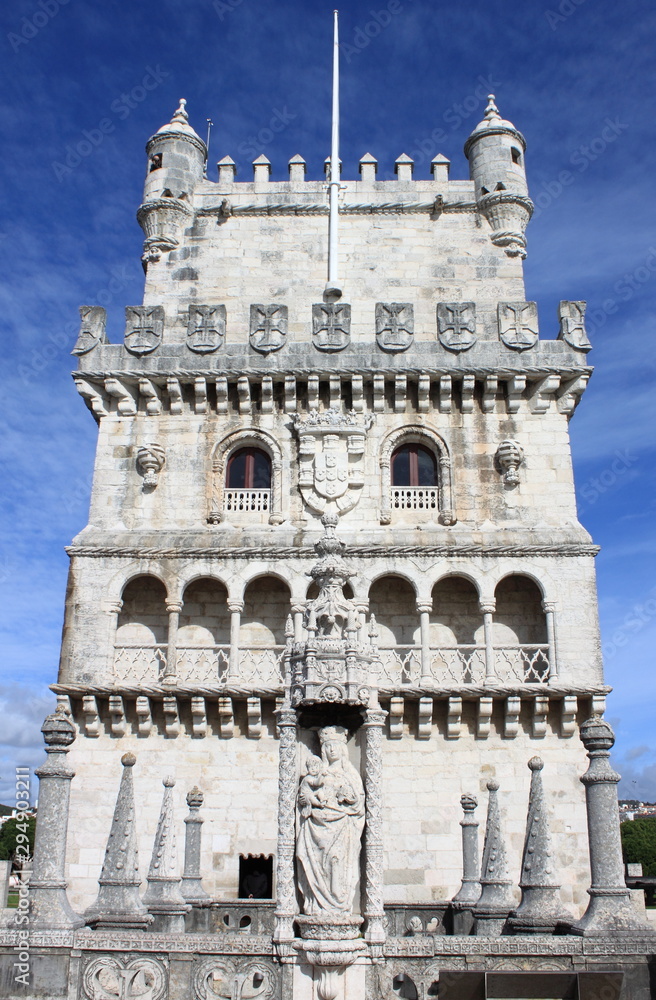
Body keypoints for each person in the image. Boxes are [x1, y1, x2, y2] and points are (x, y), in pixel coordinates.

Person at [296, 726, 365, 913]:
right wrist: (309, 800)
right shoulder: (316, 774)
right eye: (327, 746)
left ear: (343, 749)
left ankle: (339, 902)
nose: (331, 749)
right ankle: (316, 904)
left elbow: (358, 804)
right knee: (319, 862)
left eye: (334, 745)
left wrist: (347, 797)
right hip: (316, 825)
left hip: (342, 825)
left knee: (337, 860)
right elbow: (305, 793)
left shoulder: (350, 774)